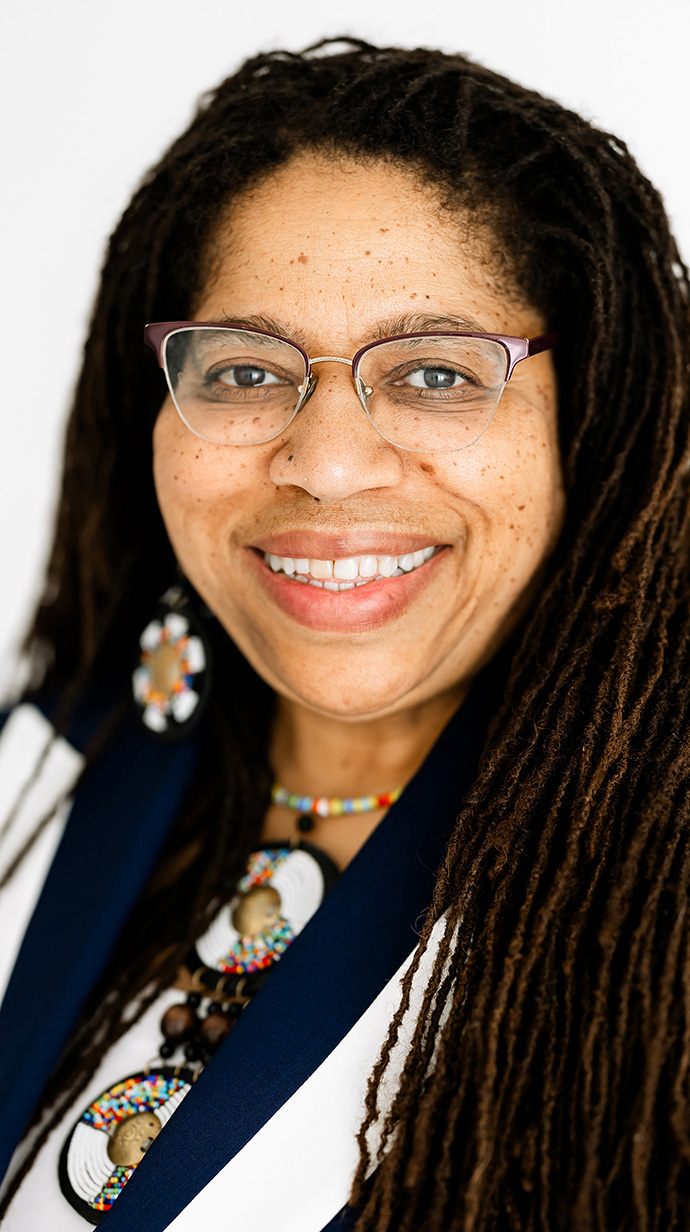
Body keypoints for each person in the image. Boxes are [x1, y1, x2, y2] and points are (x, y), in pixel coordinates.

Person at [0, 35, 688, 1232]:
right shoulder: (28, 774)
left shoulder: (655, 910)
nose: (322, 464)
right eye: (246, 369)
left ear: (595, 426)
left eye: (434, 373)